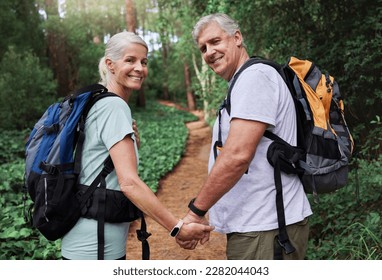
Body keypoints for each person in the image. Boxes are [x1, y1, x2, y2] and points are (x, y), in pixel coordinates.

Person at [61, 31, 214, 260]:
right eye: (130, 60)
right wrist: (177, 227)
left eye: (144, 61)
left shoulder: (97, 102)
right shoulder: (113, 106)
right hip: (96, 245)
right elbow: (129, 183)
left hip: (87, 236)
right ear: (110, 65)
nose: (139, 68)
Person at [177, 13, 312, 260]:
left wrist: (196, 211)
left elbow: (237, 156)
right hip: (260, 225)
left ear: (237, 37)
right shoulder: (244, 80)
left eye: (215, 41)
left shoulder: (254, 78)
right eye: (203, 48)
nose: (209, 52)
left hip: (267, 227)